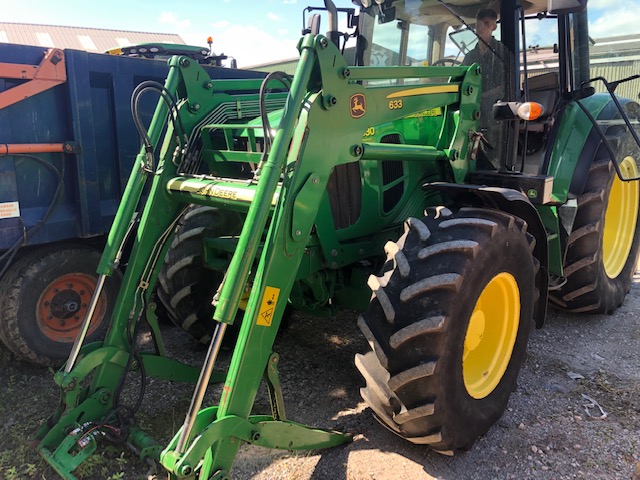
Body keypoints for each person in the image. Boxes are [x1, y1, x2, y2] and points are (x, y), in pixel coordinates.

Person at [464, 8, 510, 167]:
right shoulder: (470, 56)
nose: (481, 28)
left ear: (494, 27)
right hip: (473, 106)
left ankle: (495, 168)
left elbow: (506, 83)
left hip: (495, 107)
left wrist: (484, 96)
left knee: (492, 141)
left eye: (486, 24)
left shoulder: (502, 52)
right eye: (478, 24)